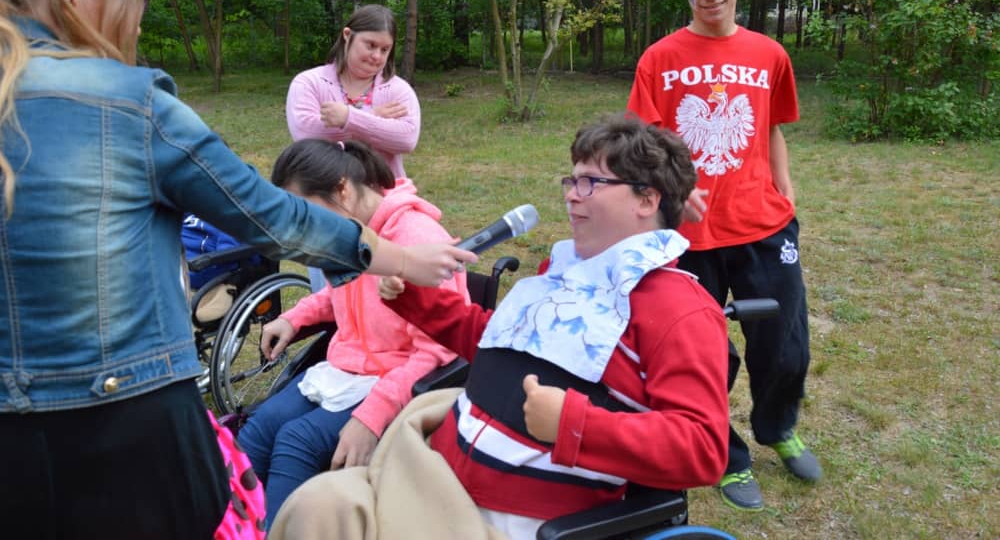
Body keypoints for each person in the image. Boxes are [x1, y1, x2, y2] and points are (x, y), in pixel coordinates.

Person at [0, 0, 474, 539]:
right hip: (127, 433)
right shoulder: (131, 105)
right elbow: (271, 217)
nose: (134, 17)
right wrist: (394, 255)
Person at [268, 115, 730, 540]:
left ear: (647, 200)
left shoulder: (679, 309)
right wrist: (414, 300)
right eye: (572, 179)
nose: (571, 192)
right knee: (314, 505)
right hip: (433, 467)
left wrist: (573, 424)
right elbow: (492, 342)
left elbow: (704, 449)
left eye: (590, 182)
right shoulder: (561, 270)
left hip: (505, 516)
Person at [626, 0, 821, 512]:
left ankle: (778, 426)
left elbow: (772, 129)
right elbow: (643, 147)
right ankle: (727, 456)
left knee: (784, 343)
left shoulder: (769, 54)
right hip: (690, 238)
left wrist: (785, 193)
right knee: (705, 353)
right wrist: (673, 195)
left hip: (764, 226)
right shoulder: (660, 59)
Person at [239, 139, 466, 528]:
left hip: (396, 379)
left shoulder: (415, 238)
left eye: (305, 211)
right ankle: (233, 527)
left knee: (297, 442)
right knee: (256, 433)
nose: (303, 228)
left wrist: (373, 415)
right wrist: (294, 318)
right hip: (345, 370)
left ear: (342, 188)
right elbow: (338, 293)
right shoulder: (344, 233)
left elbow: (438, 350)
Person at [286, 4, 419, 180]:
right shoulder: (308, 82)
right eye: (370, 45)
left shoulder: (399, 90)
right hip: (322, 194)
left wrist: (348, 118)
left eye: (385, 49)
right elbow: (306, 135)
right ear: (347, 35)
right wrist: (374, 116)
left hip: (383, 196)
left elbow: (406, 139)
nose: (377, 56)